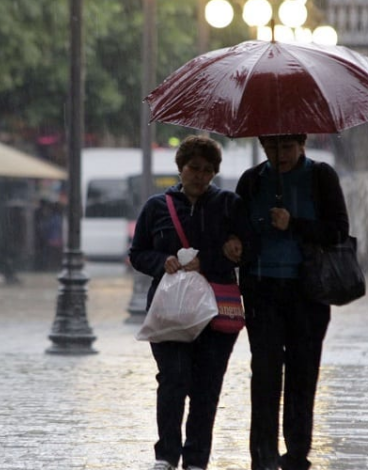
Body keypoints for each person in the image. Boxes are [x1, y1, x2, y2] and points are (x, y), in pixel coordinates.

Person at [129, 135, 255, 470]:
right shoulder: (157, 207)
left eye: (207, 170)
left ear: (215, 173)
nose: (200, 176)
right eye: (193, 168)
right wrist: (163, 262)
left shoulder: (229, 205)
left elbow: (245, 252)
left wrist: (213, 259)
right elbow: (138, 253)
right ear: (180, 169)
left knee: (207, 385)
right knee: (173, 378)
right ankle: (167, 455)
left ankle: (196, 458)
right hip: (170, 311)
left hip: (216, 312)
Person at [234, 134, 349, 470]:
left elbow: (338, 230)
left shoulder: (321, 176)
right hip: (262, 291)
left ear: (301, 144)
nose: (278, 154)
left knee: (303, 373)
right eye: (271, 147)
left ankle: (297, 453)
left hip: (308, 292)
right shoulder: (252, 180)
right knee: (265, 374)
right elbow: (237, 225)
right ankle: (263, 455)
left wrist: (294, 224)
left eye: (285, 147)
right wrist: (236, 241)